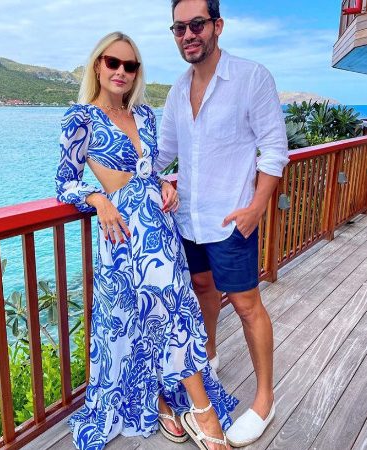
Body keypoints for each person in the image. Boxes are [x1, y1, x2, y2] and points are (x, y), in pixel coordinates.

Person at [55, 31, 238, 450]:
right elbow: (64, 181)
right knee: (158, 313)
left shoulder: (144, 115)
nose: (121, 71)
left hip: (159, 225)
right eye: (113, 62)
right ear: (98, 65)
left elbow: (147, 171)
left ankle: (165, 399)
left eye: (130, 65)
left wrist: (165, 184)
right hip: (123, 231)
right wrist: (97, 198)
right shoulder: (79, 118)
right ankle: (200, 411)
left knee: (167, 310)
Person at [156, 0, 289, 447]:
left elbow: (275, 149)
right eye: (179, 28)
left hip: (233, 219)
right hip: (188, 218)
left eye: (197, 24)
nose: (188, 35)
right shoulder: (177, 90)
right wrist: (122, 179)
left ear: (217, 26)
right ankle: (209, 355)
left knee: (248, 306)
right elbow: (163, 152)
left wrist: (256, 208)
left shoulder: (251, 77)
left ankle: (265, 400)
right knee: (202, 288)